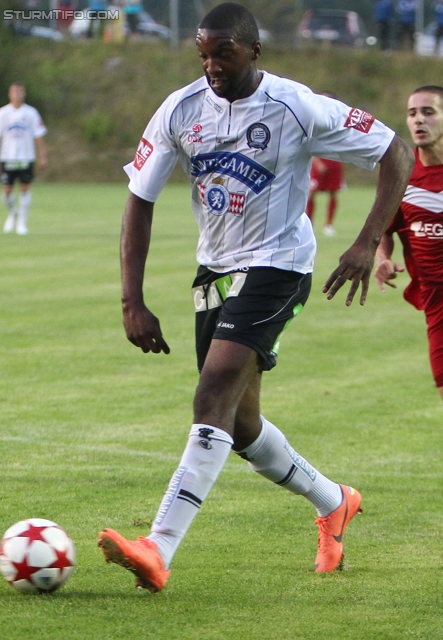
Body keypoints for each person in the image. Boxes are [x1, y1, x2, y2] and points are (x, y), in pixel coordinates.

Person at [98, 2, 414, 592]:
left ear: (254, 51)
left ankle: (157, 546)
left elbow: (395, 151)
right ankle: (333, 500)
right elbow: (139, 198)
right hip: (215, 272)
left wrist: (369, 241)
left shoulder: (297, 106)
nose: (212, 64)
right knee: (239, 426)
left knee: (212, 392)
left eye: (225, 52)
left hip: (280, 267)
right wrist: (130, 300)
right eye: (204, 53)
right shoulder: (180, 109)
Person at [375, 85, 443, 399]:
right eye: (412, 113)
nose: (419, 120)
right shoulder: (403, 174)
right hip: (436, 301)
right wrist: (382, 259)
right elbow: (384, 230)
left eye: (428, 112)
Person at [0, 83, 47, 235]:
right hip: (7, 156)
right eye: (14, 92)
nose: (17, 94)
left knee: (24, 188)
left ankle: (22, 222)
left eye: (20, 91)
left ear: (24, 94)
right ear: (9, 94)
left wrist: (42, 156)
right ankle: (13, 213)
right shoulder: (2, 113)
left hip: (26, 156)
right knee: (6, 191)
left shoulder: (31, 113)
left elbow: (38, 135)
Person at [306, 92, 346, 236]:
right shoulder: (313, 120)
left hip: (334, 162)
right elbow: (308, 142)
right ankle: (309, 224)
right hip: (319, 161)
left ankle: (329, 225)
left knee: (333, 193)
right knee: (311, 193)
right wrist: (317, 162)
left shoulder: (338, 121)